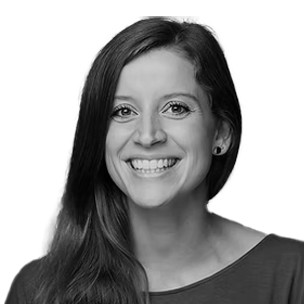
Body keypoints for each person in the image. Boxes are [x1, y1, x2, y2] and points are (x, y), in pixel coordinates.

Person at [5, 16, 304, 304]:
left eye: (175, 108)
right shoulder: (38, 288)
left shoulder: (292, 274)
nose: (148, 136)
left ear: (221, 134)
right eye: (123, 111)